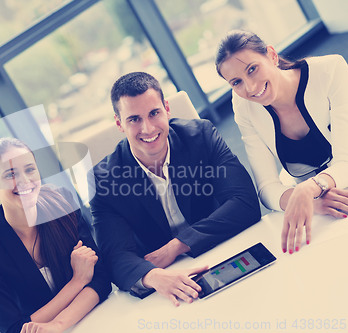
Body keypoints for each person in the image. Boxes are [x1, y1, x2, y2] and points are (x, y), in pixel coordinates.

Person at [88, 72, 261, 306]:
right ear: (119, 124)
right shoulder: (103, 180)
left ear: (166, 109)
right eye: (134, 119)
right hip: (163, 282)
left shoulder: (201, 135)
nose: (147, 128)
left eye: (154, 113)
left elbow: (245, 202)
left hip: (220, 252)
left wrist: (176, 246)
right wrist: (153, 276)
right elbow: (115, 257)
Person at [215, 30, 348, 254]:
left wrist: (310, 188)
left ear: (272, 56)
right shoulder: (243, 105)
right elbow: (266, 188)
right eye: (236, 82)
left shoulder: (330, 70)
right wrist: (311, 202)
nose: (250, 87)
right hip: (328, 203)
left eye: (252, 69)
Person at [0, 138, 111, 333]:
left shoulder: (62, 203)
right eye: (10, 174)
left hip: (98, 319)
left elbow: (101, 279)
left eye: (29, 169)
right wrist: (78, 281)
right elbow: (14, 328)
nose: (24, 181)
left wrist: (57, 325)